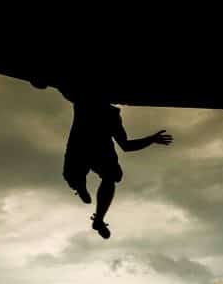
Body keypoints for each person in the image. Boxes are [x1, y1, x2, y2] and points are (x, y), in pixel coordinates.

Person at [62, 94, 173, 239]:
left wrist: (151, 139)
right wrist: (151, 139)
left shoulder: (97, 108)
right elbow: (126, 146)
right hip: (91, 150)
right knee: (102, 175)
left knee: (108, 175)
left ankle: (88, 199)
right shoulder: (99, 109)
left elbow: (126, 146)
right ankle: (81, 187)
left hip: (89, 150)